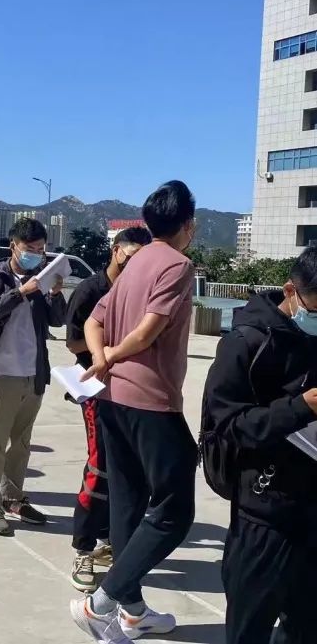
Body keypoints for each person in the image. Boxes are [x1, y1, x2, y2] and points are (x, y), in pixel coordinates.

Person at [72, 181, 197, 643]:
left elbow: (93, 320)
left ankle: (133, 612)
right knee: (174, 510)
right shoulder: (178, 265)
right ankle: (100, 603)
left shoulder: (136, 260)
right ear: (188, 225)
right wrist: (109, 357)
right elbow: (147, 333)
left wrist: (100, 358)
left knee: (127, 504)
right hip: (150, 401)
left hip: (111, 400)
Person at [203, 249, 317, 644]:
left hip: (312, 509)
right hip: (265, 512)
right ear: (290, 291)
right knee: (249, 627)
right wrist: (300, 407)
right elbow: (226, 425)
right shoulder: (246, 343)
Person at [64, 226, 152, 592]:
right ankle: (83, 548)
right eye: (130, 257)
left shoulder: (142, 290)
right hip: (96, 388)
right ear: (116, 251)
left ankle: (112, 539)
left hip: (131, 390)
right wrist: (107, 350)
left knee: (128, 469)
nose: (135, 266)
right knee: (99, 467)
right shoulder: (91, 290)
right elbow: (73, 342)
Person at [0, 217, 67, 535]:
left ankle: (13, 497)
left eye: (41, 249)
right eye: (30, 249)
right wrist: (22, 292)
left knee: (21, 442)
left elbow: (57, 321)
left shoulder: (42, 277)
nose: (36, 255)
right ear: (13, 246)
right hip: (3, 372)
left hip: (34, 371)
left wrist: (54, 294)